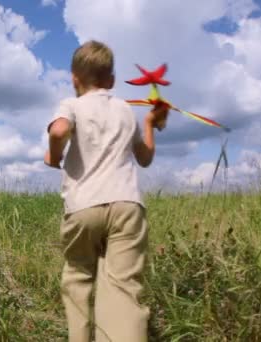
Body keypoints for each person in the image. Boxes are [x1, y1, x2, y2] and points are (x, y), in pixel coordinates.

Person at [44, 40, 169, 341]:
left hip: (83, 206)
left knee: (79, 279)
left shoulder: (71, 104)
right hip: (126, 203)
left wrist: (54, 155)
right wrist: (151, 123)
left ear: (74, 78)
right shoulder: (126, 110)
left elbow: (59, 130)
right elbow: (145, 158)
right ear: (111, 80)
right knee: (123, 288)